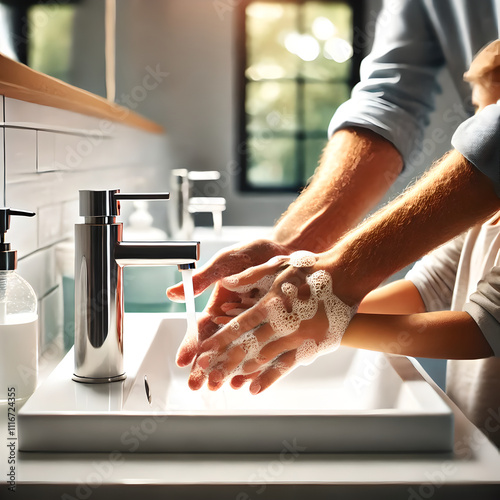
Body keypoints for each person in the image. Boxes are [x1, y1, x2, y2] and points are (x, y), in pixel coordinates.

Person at [167, 3, 500, 409]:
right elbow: (423, 290)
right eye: (475, 118)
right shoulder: (475, 223)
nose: (470, 137)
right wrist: (292, 311)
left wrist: (334, 326)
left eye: (483, 121)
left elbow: (481, 331)